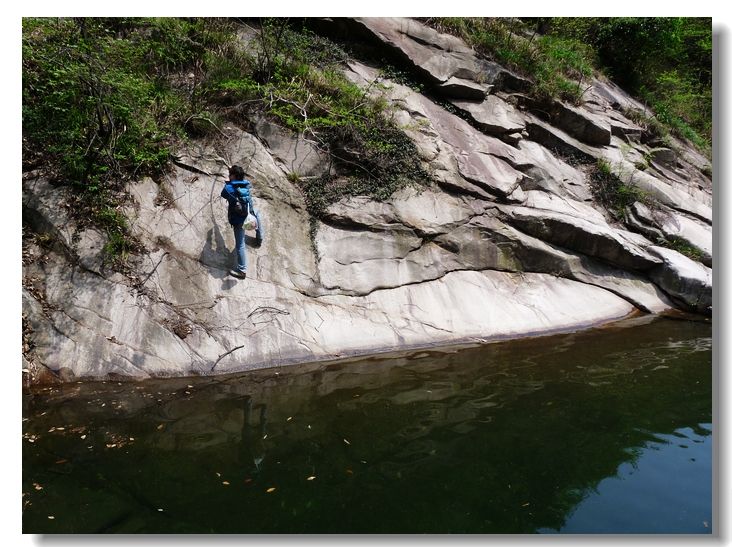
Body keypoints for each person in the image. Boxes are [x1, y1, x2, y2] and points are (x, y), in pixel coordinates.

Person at [220, 165, 264, 279]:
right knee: (257, 214)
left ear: (233, 176)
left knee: (240, 245)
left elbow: (223, 193)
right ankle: (260, 237)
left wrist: (229, 181)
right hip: (249, 217)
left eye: (230, 174)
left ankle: (242, 270)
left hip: (239, 221)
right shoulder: (246, 184)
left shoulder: (229, 188)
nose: (229, 176)